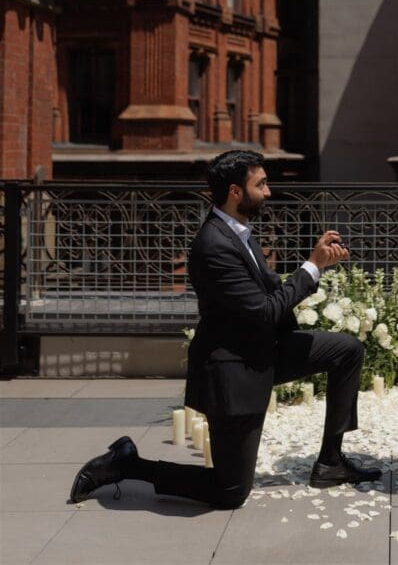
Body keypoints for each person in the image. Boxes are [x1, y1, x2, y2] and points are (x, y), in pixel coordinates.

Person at [70, 150, 381, 508]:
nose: (268, 192)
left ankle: (330, 463)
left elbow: (263, 295)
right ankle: (127, 463)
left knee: (346, 350)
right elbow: (264, 311)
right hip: (233, 373)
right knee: (230, 492)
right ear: (235, 191)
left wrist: (317, 263)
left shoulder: (239, 232)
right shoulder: (213, 245)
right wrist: (311, 268)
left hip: (264, 351)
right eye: (260, 184)